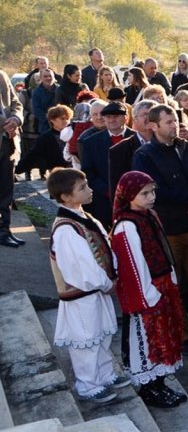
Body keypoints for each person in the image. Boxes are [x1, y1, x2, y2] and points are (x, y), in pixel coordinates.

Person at [132, 104, 188, 348]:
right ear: (153, 125)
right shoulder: (144, 155)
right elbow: (155, 191)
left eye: (175, 120)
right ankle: (183, 336)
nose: (175, 125)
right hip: (168, 231)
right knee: (174, 286)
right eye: (169, 122)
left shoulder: (187, 147)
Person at [47, 169, 128, 403]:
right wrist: (104, 282)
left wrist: (111, 275)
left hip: (97, 290)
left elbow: (103, 246)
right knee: (86, 339)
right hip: (82, 294)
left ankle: (105, 374)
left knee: (102, 335)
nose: (89, 190)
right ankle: (88, 384)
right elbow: (81, 266)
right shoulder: (65, 229)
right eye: (82, 188)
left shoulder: (83, 217)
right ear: (65, 197)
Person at [110, 171, 188, 408]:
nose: (151, 197)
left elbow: (162, 247)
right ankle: (149, 387)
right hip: (148, 291)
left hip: (162, 285)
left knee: (165, 335)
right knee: (147, 338)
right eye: (144, 193)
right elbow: (134, 263)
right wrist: (148, 294)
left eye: (152, 191)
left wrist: (171, 276)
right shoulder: (125, 225)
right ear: (129, 195)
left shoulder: (149, 215)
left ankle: (160, 382)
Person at [16, 104, 71, 178]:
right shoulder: (45, 138)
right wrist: (16, 169)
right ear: (52, 120)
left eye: (67, 118)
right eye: (62, 118)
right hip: (56, 173)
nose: (66, 121)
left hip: (73, 169)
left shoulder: (73, 133)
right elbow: (33, 154)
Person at [0, 69, 21, 247]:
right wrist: (4, 124)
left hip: (8, 142)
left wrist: (15, 119)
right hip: (5, 132)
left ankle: (4, 230)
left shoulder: (2, 75)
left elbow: (16, 102)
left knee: (6, 188)